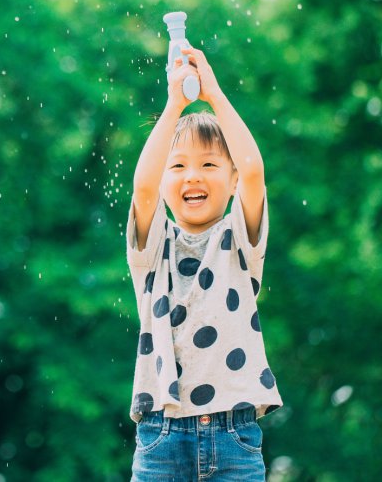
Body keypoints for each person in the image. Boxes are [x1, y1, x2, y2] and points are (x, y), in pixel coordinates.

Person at [126, 45, 282, 481]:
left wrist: (212, 93)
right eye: (177, 166)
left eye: (209, 164)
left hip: (235, 434)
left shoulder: (240, 242)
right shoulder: (152, 250)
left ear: (231, 182)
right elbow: (142, 189)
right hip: (161, 435)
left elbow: (253, 170)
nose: (192, 175)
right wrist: (175, 104)